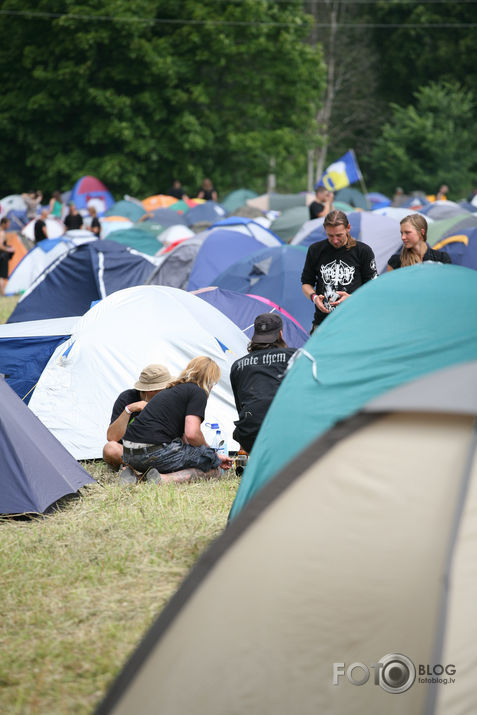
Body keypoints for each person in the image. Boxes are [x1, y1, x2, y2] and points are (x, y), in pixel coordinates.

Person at [121, 356, 232, 484]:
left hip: (129, 453)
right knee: (213, 470)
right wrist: (211, 454)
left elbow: (184, 438)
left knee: (204, 458)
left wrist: (214, 456)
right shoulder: (198, 392)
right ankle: (163, 480)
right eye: (214, 382)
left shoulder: (171, 389)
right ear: (209, 380)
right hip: (154, 451)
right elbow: (192, 434)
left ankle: (136, 479)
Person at [301, 209, 377, 333]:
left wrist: (352, 298)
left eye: (339, 235)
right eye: (330, 235)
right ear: (325, 230)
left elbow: (373, 288)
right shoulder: (315, 250)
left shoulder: (363, 251)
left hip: (354, 322)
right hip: (323, 323)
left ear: (348, 228)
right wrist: (315, 298)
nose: (335, 240)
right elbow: (306, 283)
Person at [230, 313, 296, 455]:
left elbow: (241, 407)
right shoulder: (294, 357)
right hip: (288, 434)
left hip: (251, 437)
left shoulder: (238, 366)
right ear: (280, 334)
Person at [103, 364, 173, 469]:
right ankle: (137, 468)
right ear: (151, 391)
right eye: (165, 388)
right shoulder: (127, 398)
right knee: (110, 449)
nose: (168, 390)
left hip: (160, 452)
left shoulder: (170, 399)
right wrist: (129, 410)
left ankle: (136, 470)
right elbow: (112, 437)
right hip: (131, 452)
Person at [387, 214, 452, 270]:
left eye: (407, 233)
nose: (403, 237)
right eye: (402, 233)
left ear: (422, 232)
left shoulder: (441, 258)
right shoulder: (395, 261)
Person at [0, 217, 14, 296]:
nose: (9, 225)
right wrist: (9, 249)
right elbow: (0, 245)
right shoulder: (2, 233)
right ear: (3, 224)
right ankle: (3, 294)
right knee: (1, 276)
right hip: (2, 256)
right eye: (8, 224)